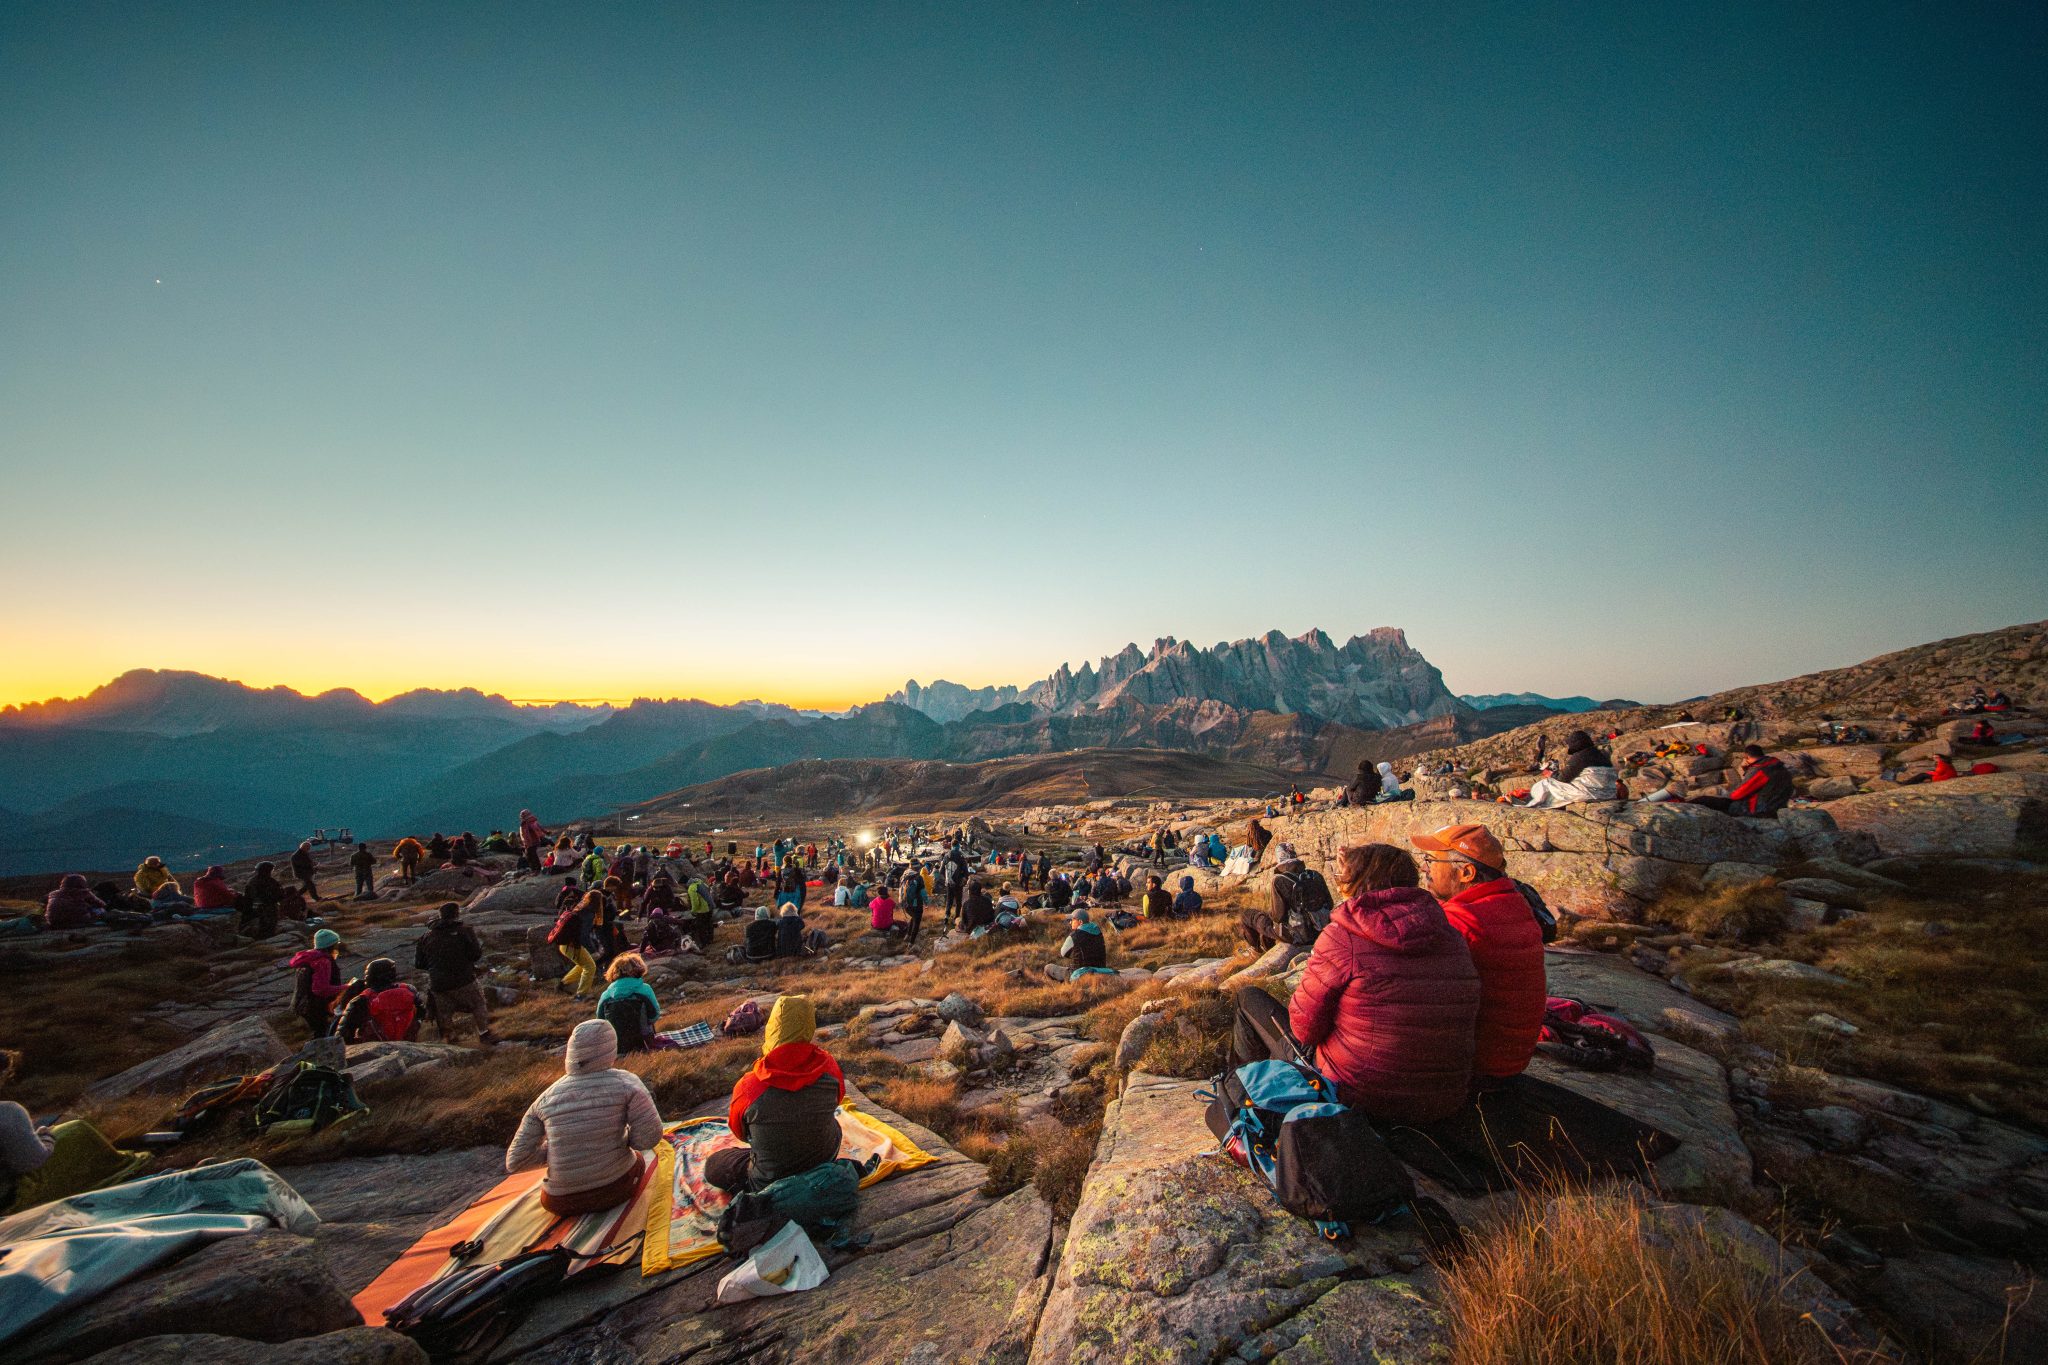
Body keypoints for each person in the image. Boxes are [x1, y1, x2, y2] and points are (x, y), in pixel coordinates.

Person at [1233, 843, 1480, 1124]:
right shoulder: (1452, 935)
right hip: (1442, 1098)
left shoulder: (1345, 936)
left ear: (1359, 883)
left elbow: (1303, 1028)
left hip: (1360, 1096)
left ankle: (1248, 1106)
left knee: (1247, 999)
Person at [1412, 823, 1545, 1086]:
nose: (1424, 868)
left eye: (1431, 860)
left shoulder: (1464, 920)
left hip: (1477, 1067)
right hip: (1509, 1060)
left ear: (1466, 872)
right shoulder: (1511, 902)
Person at [506, 1019, 661, 1216]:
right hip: (615, 1188)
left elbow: (516, 1161)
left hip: (558, 1202)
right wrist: (620, 1140)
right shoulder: (627, 1083)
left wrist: (560, 1149)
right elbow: (649, 1137)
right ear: (611, 1049)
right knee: (638, 1160)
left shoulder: (545, 1098)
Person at [707, 996, 844, 1194]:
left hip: (769, 1180)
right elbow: (837, 1100)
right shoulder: (829, 1067)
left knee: (715, 1164)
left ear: (772, 1027)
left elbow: (740, 1133)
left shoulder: (750, 1085)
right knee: (834, 1126)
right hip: (825, 1158)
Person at [0, 1100, 146, 1216]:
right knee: (78, 1131)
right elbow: (33, 1161)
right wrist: (45, 1137)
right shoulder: (8, 1112)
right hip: (10, 1199)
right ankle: (127, 1171)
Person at [415, 902, 499, 1045]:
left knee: (444, 1013)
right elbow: (475, 954)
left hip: (438, 984)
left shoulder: (426, 936)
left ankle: (450, 1040)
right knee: (477, 1004)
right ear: (457, 913)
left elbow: (419, 964)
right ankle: (484, 1034)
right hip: (464, 979)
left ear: (440, 915)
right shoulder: (464, 930)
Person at [330, 957, 422, 1044]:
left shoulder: (361, 1000)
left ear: (369, 977)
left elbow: (342, 1035)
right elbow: (421, 1014)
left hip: (373, 1049)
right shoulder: (410, 991)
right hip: (408, 1042)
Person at [1520, 731, 1617, 809]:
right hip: (1609, 792)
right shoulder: (1599, 753)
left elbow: (1563, 779)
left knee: (1545, 784)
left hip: (1592, 793)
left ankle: (1530, 803)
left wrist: (1550, 774)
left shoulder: (1580, 756)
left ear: (1575, 744)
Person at [1689, 745, 1794, 817]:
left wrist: (1726, 797)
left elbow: (1737, 794)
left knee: (1704, 801)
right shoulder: (1777, 766)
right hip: (1776, 806)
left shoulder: (1760, 770)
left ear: (1747, 756)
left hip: (1758, 809)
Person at [596, 953, 664, 1054]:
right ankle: (647, 1045)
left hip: (616, 1042)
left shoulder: (606, 995)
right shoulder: (645, 988)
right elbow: (655, 1014)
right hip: (642, 1038)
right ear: (638, 969)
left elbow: (600, 1019)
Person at [289, 928, 346, 1038]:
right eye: (336, 944)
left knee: (319, 1032)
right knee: (323, 1034)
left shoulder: (309, 959)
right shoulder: (323, 961)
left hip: (302, 1004)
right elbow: (320, 989)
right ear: (331, 945)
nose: (337, 947)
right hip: (316, 1006)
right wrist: (346, 987)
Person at [550, 891, 602, 999]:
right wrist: (593, 950)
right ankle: (581, 995)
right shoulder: (589, 913)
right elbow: (584, 935)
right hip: (572, 946)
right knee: (590, 967)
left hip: (564, 944)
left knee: (584, 964)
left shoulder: (579, 908)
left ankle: (563, 984)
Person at [1054, 908, 1109, 978]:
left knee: (1048, 968)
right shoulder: (1098, 932)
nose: (1070, 922)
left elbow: (1063, 953)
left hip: (1080, 974)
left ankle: (1065, 986)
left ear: (1080, 922)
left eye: (1072, 920)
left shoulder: (1074, 936)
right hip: (1100, 971)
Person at [240, 862, 284, 937]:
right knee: (269, 924)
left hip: (254, 908)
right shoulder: (269, 881)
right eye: (271, 870)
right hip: (267, 907)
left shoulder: (252, 881)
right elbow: (279, 895)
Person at [899, 860, 928, 942]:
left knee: (913, 917)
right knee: (917, 921)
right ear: (918, 866)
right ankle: (911, 943)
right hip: (916, 903)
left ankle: (907, 935)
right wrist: (926, 902)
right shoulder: (919, 877)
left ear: (910, 865)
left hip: (905, 903)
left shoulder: (904, 874)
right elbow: (923, 892)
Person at [518, 809, 550, 875]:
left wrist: (527, 842)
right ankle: (536, 869)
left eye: (522, 815)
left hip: (530, 842)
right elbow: (540, 828)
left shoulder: (527, 823)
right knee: (532, 855)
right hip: (533, 841)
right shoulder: (532, 821)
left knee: (530, 856)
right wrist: (546, 832)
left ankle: (535, 870)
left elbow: (530, 832)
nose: (521, 817)